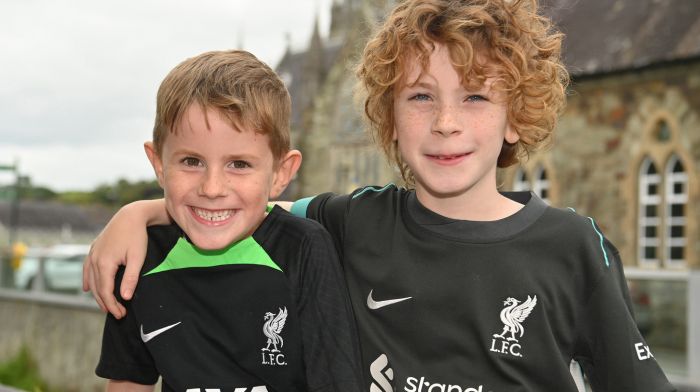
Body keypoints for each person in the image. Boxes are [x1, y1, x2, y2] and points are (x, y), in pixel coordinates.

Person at [85, 1, 676, 391]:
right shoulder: (351, 218)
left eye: (475, 97)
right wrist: (138, 213)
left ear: (515, 117)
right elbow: (236, 203)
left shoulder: (573, 246)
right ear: (388, 119)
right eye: (420, 97)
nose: (446, 121)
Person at [94, 49, 362, 392]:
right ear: (158, 164)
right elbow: (130, 380)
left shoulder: (304, 248)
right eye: (191, 161)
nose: (212, 188)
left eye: (239, 164)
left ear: (282, 173)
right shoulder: (140, 255)